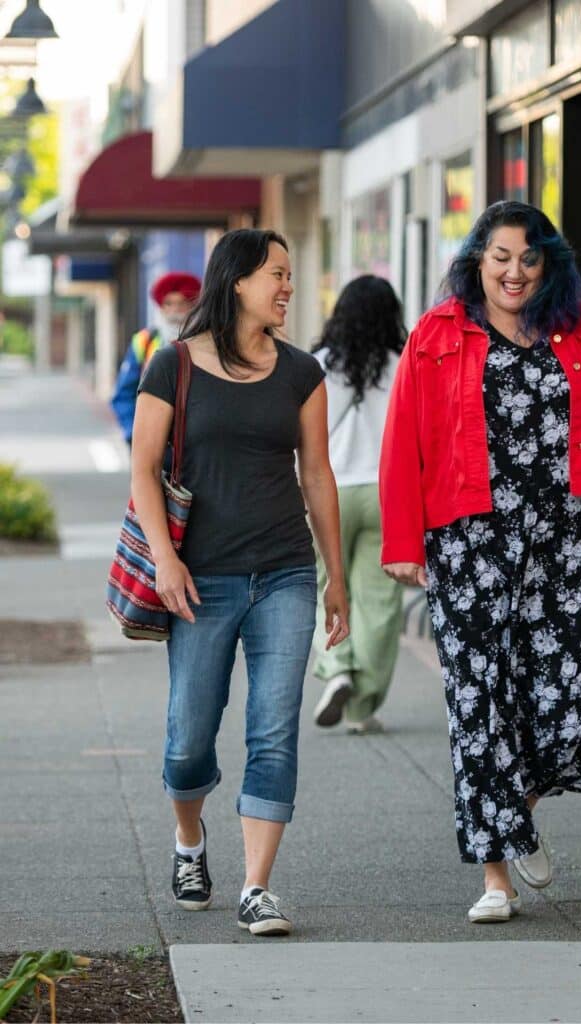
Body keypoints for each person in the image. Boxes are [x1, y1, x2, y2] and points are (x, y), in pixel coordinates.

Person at [379, 200, 581, 924]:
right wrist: (401, 542)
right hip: (468, 538)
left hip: (568, 542)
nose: (513, 271)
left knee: (560, 709)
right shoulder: (437, 333)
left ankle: (516, 815)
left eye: (528, 258)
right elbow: (402, 438)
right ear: (477, 258)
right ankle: (495, 877)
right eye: (500, 256)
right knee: (477, 702)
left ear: (549, 265)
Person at [130, 229, 349, 936]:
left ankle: (258, 887)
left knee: (273, 730)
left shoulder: (300, 372)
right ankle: (190, 841)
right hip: (201, 579)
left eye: (290, 274)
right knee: (189, 732)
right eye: (277, 275)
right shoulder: (174, 366)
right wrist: (165, 559)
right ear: (237, 281)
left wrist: (335, 578)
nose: (288, 286)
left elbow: (316, 475)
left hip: (284, 571)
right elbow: (143, 469)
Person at [311, 276, 406, 734]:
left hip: (325, 491)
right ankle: (362, 706)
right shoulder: (403, 365)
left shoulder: (315, 366)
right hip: (384, 493)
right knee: (379, 600)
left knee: (325, 587)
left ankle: (338, 669)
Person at [111, 272, 201, 446]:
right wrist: (133, 434)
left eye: (182, 303)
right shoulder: (144, 341)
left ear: (193, 306)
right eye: (169, 304)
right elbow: (124, 393)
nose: (175, 310)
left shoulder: (207, 341)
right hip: (153, 440)